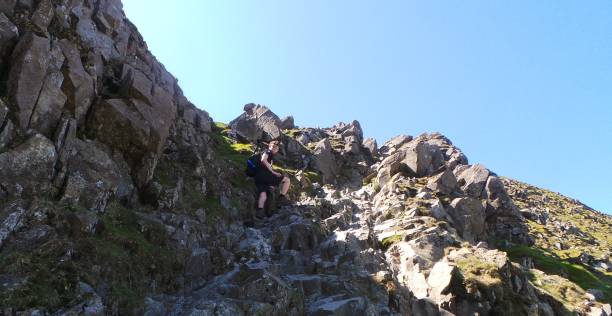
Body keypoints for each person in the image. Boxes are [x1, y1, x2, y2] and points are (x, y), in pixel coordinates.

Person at [254, 140, 290, 218]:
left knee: (264, 194)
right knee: (287, 180)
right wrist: (273, 172)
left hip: (258, 177)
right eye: (273, 147)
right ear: (269, 146)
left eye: (276, 148)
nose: (274, 149)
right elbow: (263, 160)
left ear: (277, 150)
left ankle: (260, 212)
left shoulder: (264, 152)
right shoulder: (268, 152)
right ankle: (281, 198)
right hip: (264, 176)